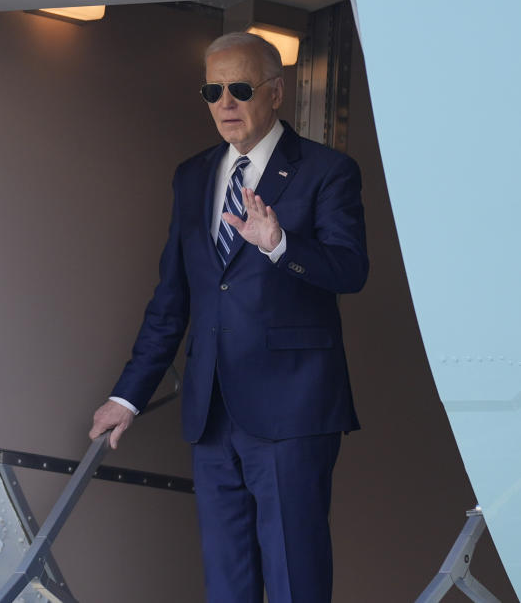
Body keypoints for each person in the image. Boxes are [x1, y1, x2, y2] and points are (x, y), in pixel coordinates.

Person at [88, 32, 368, 603]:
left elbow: (350, 271)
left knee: (295, 577)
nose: (226, 103)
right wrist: (128, 396)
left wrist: (281, 244)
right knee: (227, 580)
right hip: (212, 413)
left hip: (293, 411)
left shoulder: (326, 170)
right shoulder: (193, 175)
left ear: (277, 93)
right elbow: (174, 295)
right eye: (212, 90)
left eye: (240, 88)